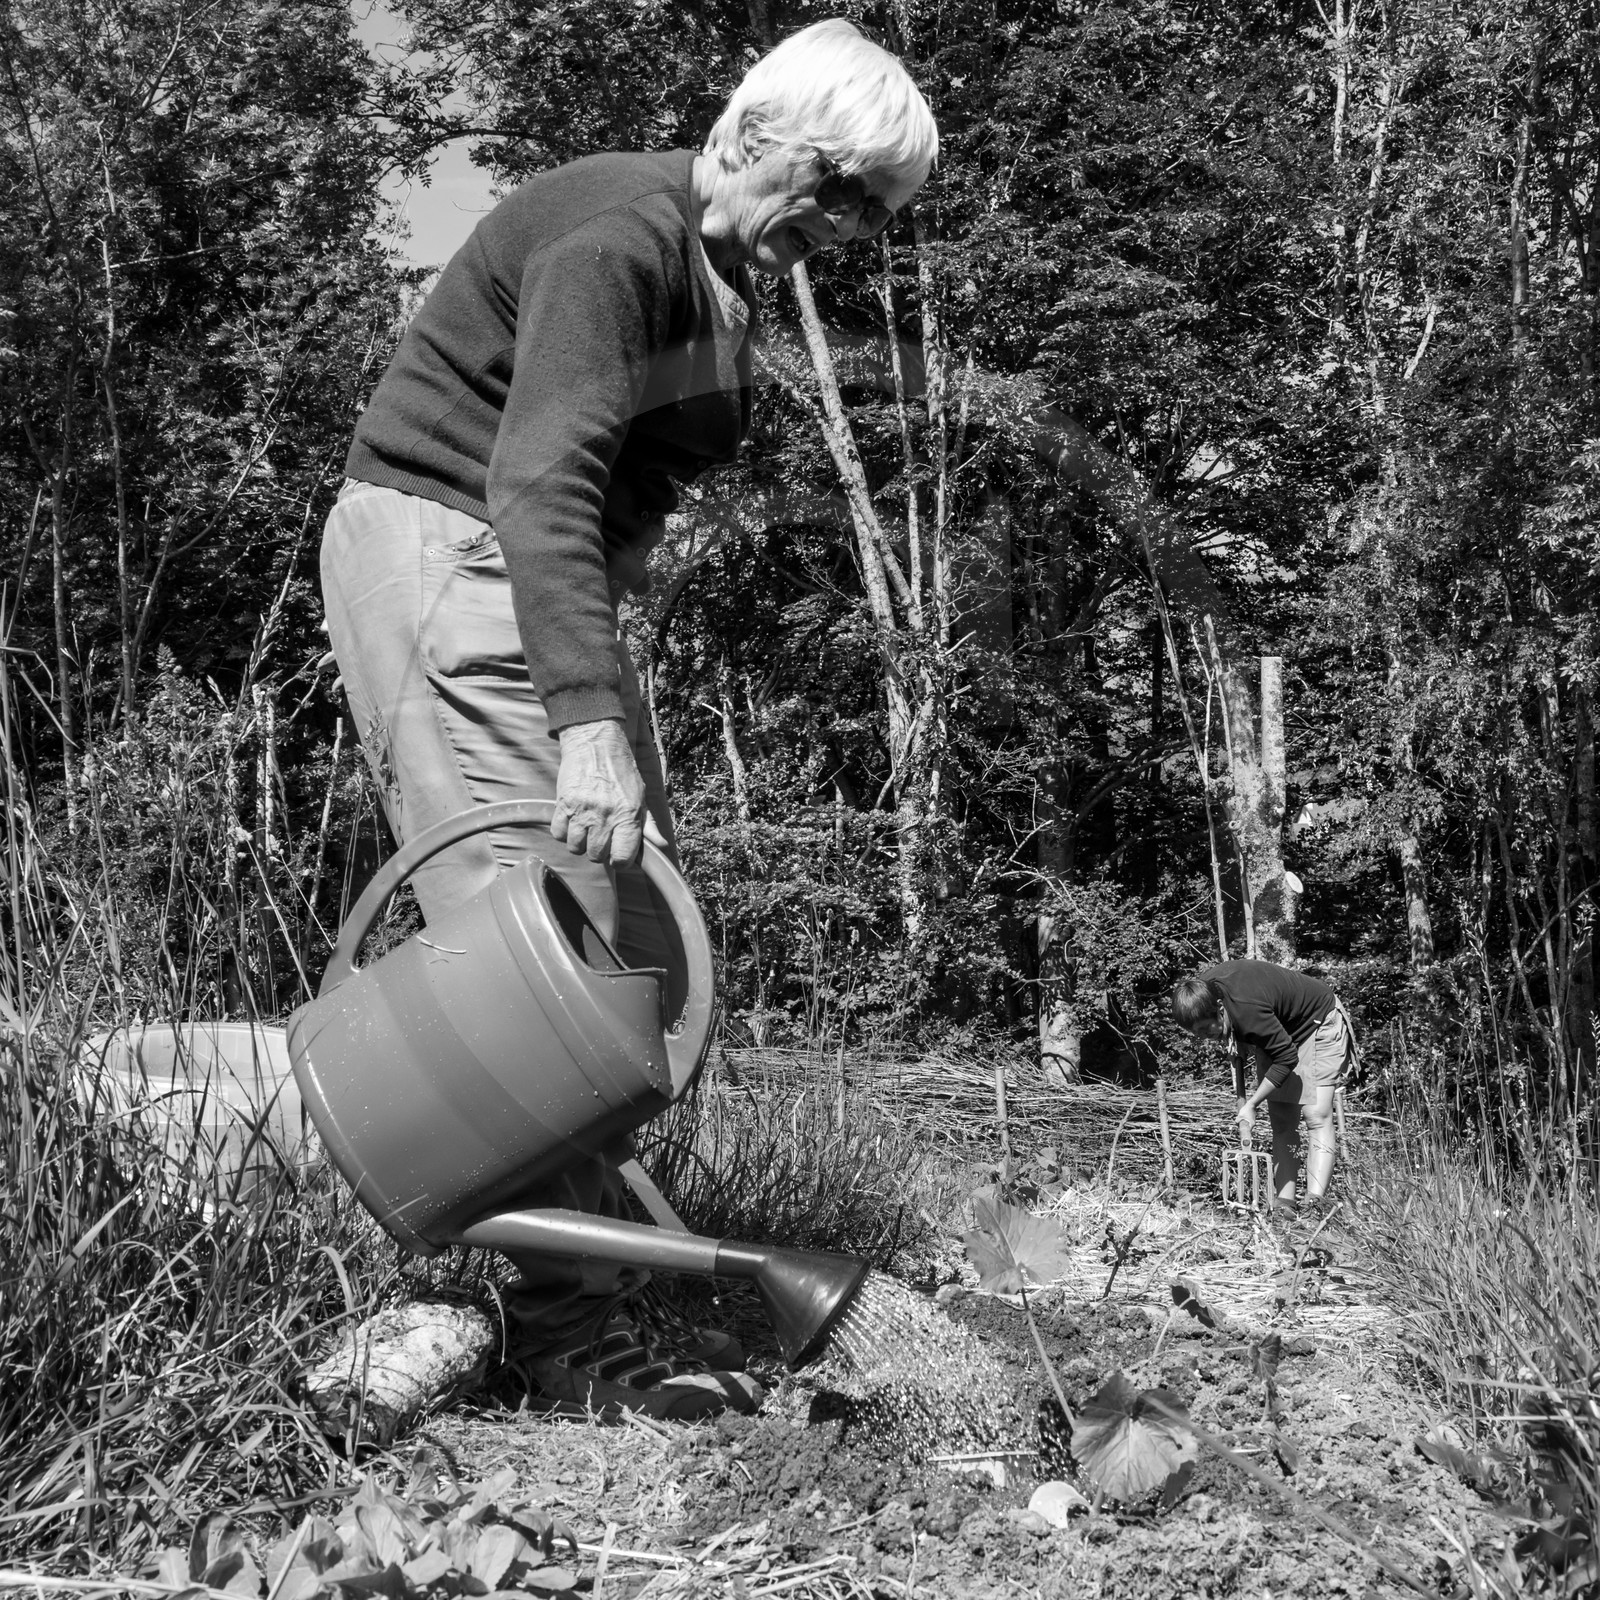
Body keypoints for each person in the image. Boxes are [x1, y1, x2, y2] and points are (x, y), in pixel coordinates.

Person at [319, 20, 938, 1421]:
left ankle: (534, 1250)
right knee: (529, 958)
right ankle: (548, 1320)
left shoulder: (717, 263)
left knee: (638, 951)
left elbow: (608, 502)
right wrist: (587, 717)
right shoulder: (621, 236)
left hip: (528, 580)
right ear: (757, 128)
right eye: (838, 190)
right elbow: (543, 477)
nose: (842, 230)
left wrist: (603, 667)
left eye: (870, 218)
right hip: (455, 546)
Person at [1171, 959, 1355, 1221]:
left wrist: (1252, 1103)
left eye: (1204, 1029)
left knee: (1316, 1115)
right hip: (1279, 1030)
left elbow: (1286, 1058)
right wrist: (1234, 1038)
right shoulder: (1202, 992)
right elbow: (1265, 1036)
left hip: (1317, 1019)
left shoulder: (1247, 1010)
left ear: (1220, 1009)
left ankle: (1315, 1207)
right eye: (1195, 1032)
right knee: (1281, 1119)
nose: (1202, 1036)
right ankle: (1285, 1205)